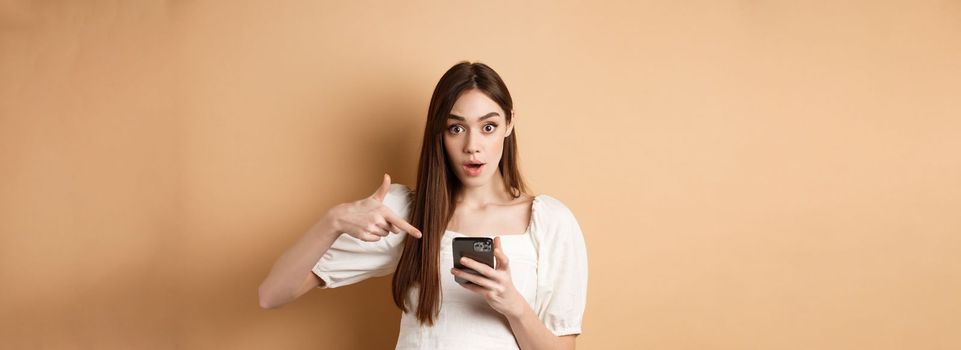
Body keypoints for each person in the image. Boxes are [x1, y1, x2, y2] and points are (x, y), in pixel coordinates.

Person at [258, 61, 588, 349]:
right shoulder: (408, 214)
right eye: (456, 128)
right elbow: (271, 295)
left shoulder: (549, 221)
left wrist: (513, 305)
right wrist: (334, 221)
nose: (473, 146)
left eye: (488, 127)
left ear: (509, 123)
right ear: (439, 132)